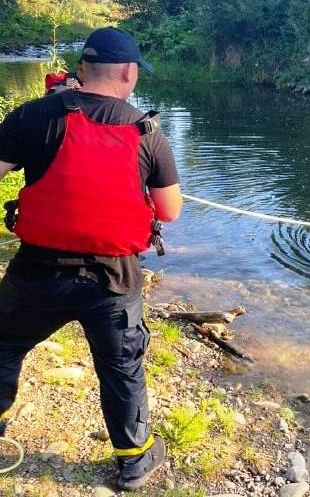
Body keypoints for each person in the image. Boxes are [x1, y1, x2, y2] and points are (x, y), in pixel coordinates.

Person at [0, 27, 182, 490]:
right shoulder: (148, 132)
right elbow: (169, 211)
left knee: (2, 347)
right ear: (128, 71)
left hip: (38, 270)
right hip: (113, 282)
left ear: (83, 69)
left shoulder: (35, 116)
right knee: (122, 368)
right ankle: (134, 460)